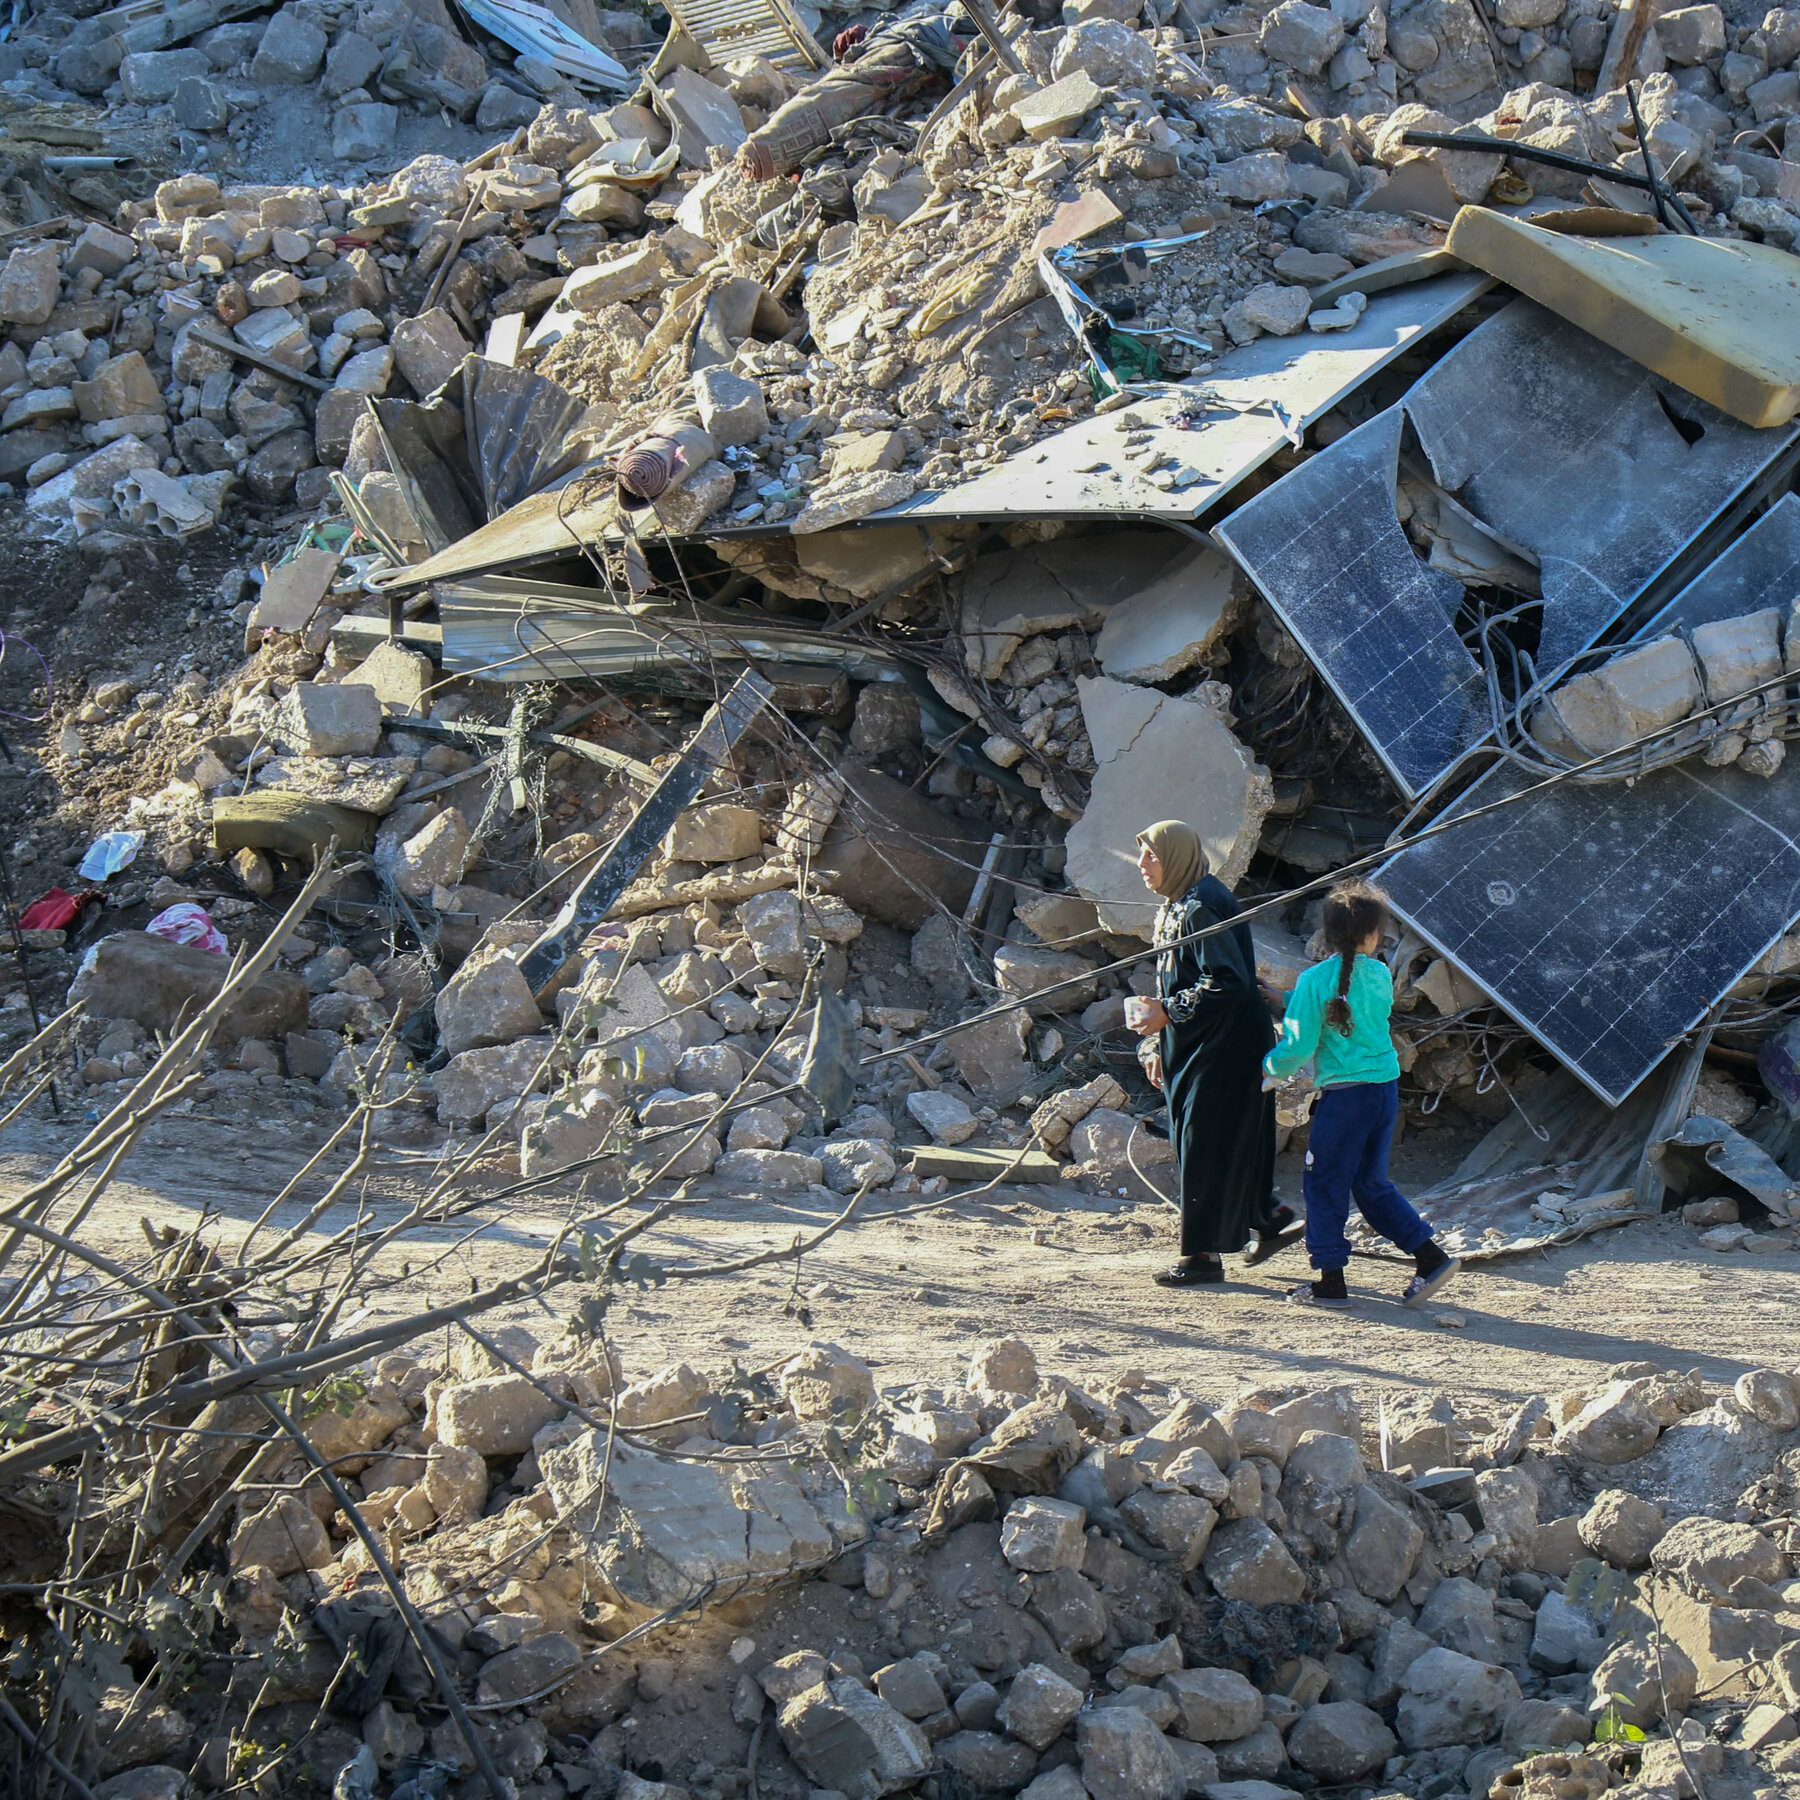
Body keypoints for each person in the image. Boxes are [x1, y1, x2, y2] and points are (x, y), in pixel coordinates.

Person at [1263, 879, 1460, 1308]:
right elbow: (1349, 1004)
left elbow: (1298, 1045)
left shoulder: (1316, 980)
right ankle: (1430, 1257)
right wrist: (1292, 998)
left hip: (1344, 1099)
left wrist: (1268, 1069)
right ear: (1374, 933)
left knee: (1324, 1184)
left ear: (1327, 934)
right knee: (1370, 1183)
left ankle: (1330, 1281)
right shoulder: (1378, 975)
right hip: (1382, 1092)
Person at [1125, 820, 1295, 1287]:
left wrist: (1168, 1013)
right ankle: (1270, 1218)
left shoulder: (1202, 906)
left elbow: (1228, 983)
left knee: (1203, 1146)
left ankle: (1202, 1256)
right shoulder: (1183, 901)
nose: (1142, 865)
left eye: (1151, 856)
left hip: (1224, 1048)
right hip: (1201, 1044)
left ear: (1176, 857)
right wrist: (1162, 1038)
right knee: (1217, 1141)